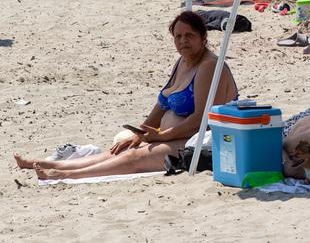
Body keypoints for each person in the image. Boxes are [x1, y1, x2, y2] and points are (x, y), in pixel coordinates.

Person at [14, 11, 238, 180]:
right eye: (178, 36)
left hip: (202, 141)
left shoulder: (209, 66)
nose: (183, 41)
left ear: (203, 37)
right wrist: (140, 133)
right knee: (122, 148)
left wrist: (161, 136)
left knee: (132, 158)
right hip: (174, 136)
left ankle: (65, 175)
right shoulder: (182, 62)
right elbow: (162, 105)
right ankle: (49, 164)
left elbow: (201, 119)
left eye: (189, 35)